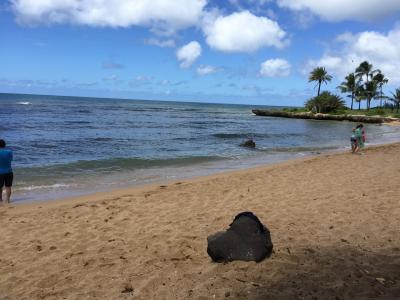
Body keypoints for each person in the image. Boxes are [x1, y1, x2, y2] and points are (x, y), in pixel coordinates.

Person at [0, 139, 13, 204]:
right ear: (4, 145)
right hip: (9, 171)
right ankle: (8, 200)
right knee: (8, 187)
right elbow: (10, 159)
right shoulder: (9, 152)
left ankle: (0, 199)